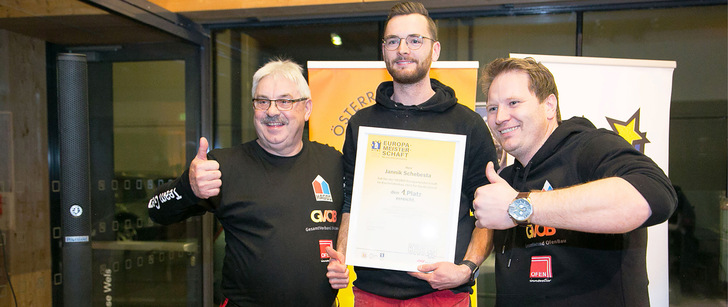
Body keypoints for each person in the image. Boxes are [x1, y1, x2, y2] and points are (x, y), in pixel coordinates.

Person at [325, 2, 498, 305]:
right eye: (393, 41)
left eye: (415, 40)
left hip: (442, 294)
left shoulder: (467, 124)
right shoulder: (362, 124)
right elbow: (352, 200)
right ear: (384, 50)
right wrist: (341, 257)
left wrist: (467, 269)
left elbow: (488, 210)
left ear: (436, 50)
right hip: (371, 293)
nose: (403, 49)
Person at [473, 57, 677, 306]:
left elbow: (654, 195)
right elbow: (485, 226)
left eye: (513, 103)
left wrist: (520, 206)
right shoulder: (507, 180)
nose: (500, 117)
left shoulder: (590, 147)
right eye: (493, 108)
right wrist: (466, 266)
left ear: (549, 105)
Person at [147, 59, 343, 307]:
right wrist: (187, 186)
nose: (272, 111)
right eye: (262, 101)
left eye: (284, 101)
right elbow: (155, 210)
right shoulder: (223, 166)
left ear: (306, 109)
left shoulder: (332, 162)